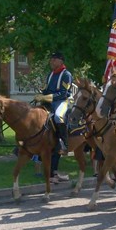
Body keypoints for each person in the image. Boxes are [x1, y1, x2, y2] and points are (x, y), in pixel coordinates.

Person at [34, 51, 73, 182]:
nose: (52, 62)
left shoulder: (66, 75)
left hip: (62, 102)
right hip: (49, 101)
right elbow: (46, 89)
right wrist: (40, 94)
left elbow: (63, 93)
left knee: (57, 117)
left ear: (61, 61)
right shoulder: (50, 75)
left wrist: (45, 97)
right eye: (51, 60)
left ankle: (63, 142)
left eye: (54, 60)